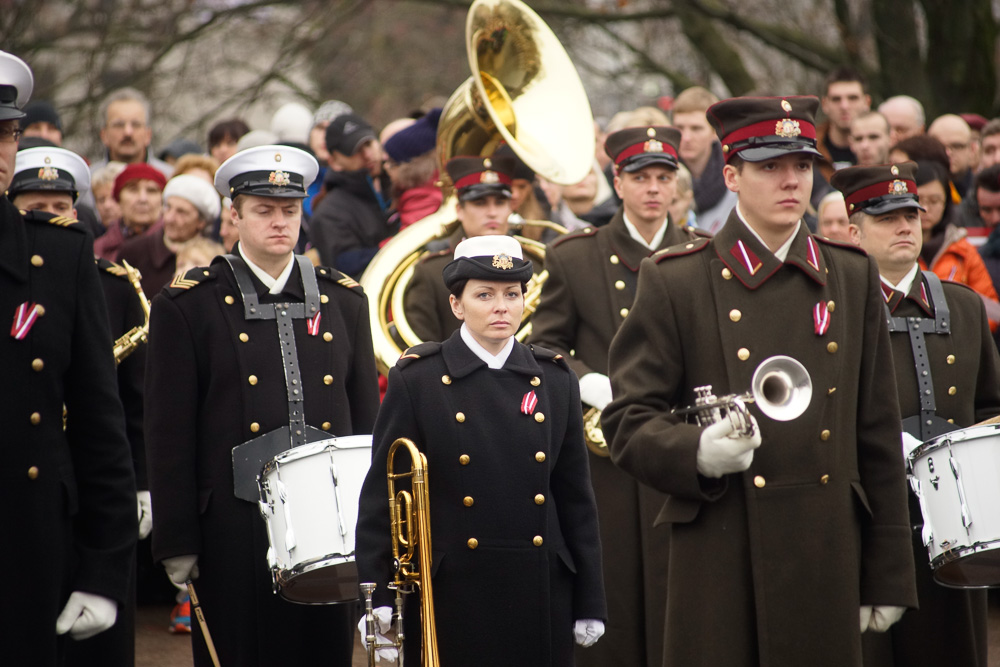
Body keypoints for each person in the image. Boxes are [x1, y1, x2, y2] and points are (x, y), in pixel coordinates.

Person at [602, 95, 918, 666]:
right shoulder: (676, 279)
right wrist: (695, 450)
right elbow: (626, 421)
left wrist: (889, 571)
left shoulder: (850, 274)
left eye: (801, 165)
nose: (791, 180)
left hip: (825, 551)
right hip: (722, 554)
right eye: (770, 166)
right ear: (731, 176)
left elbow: (876, 430)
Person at [144, 144, 380, 667]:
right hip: (233, 528)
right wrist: (177, 538)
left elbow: (367, 425)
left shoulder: (345, 301)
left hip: (329, 531)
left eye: (289, 211)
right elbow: (168, 431)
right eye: (263, 210)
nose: (279, 222)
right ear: (234, 214)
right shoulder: (189, 305)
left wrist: (375, 532)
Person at [356, 234, 607, 666]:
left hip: (540, 586)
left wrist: (590, 598)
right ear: (457, 305)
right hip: (453, 591)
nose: (501, 306)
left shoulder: (555, 379)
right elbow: (383, 493)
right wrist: (378, 591)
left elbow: (575, 498)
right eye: (484, 295)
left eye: (512, 294)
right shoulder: (418, 379)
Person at [528, 125, 704, 667]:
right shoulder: (575, 256)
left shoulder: (701, 254)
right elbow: (545, 343)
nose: (653, 189)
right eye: (640, 177)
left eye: (663, 177)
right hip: (605, 457)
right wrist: (585, 380)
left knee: (685, 592)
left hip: (680, 444)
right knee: (616, 591)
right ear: (617, 182)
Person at [829, 162, 1000, 667]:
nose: (905, 226)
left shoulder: (964, 306)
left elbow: (992, 404)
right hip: (872, 519)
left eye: (911, 214)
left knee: (950, 648)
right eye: (887, 217)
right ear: (854, 230)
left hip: (954, 519)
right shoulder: (832, 309)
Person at [0, 49, 137, 666]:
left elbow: (97, 425)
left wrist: (104, 570)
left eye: (5, 135)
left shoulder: (57, 257)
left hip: (29, 550)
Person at [403, 154, 516, 343]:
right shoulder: (430, 272)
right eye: (479, 203)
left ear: (510, 208)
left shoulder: (535, 262)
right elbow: (422, 344)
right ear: (459, 210)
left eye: (500, 202)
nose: (492, 212)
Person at [913, 160, 1000, 329]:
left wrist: (963, 335)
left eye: (934, 201)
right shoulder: (895, 249)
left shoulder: (962, 249)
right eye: (918, 200)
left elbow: (989, 310)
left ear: (946, 203)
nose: (925, 208)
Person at [309, 112, 395, 276]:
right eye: (354, 150)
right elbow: (347, 270)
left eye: (368, 144)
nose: (367, 155)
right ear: (334, 161)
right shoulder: (328, 214)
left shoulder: (399, 184)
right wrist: (393, 246)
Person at [119, 173, 224, 296]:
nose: (169, 218)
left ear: (201, 222)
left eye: (181, 212)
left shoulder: (214, 257)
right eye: (168, 207)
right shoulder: (134, 252)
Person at [672, 85, 737, 233]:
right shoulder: (661, 177)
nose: (686, 138)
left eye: (696, 128)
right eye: (680, 128)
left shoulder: (734, 179)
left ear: (715, 132)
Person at [381, 108, 443, 234]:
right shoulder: (425, 190)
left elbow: (406, 240)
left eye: (392, 163)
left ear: (409, 167)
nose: (386, 167)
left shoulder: (423, 197)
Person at [89, 87, 172, 179]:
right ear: (104, 135)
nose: (128, 132)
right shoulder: (87, 182)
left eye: (136, 124)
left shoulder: (169, 179)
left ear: (148, 135)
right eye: (119, 125)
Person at [93, 162, 167, 260]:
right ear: (118, 199)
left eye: (151, 190)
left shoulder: (174, 245)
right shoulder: (99, 249)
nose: (143, 199)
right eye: (133, 190)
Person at [817, 67, 871, 176]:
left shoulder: (886, 150)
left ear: (867, 102)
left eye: (852, 98)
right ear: (824, 104)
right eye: (836, 99)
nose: (844, 106)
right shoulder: (808, 151)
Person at [928, 114, 977, 197]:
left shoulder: (985, 192)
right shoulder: (915, 191)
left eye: (956, 146)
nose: (948, 153)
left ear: (972, 149)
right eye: (940, 146)